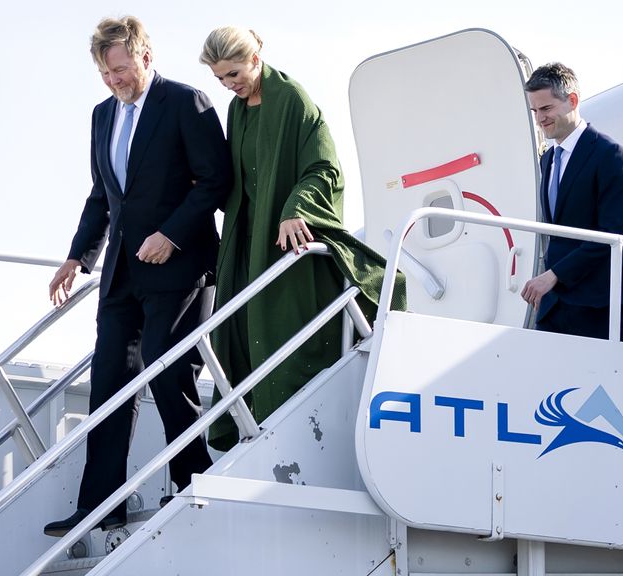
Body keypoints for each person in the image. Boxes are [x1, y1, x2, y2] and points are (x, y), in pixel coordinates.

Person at [44, 16, 231, 536]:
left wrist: (170, 234)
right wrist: (78, 257)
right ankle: (101, 506)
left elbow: (214, 182)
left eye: (121, 69)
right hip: (121, 275)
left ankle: (192, 483)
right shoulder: (102, 116)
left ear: (146, 56)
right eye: (106, 73)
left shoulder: (186, 103)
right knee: (108, 382)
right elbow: (103, 195)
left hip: (181, 267)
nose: (115, 80)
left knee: (169, 372)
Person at [199, 27, 403, 451]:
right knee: (238, 334)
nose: (229, 85)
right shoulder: (238, 109)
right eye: (220, 79)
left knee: (281, 336)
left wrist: (296, 210)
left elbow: (325, 167)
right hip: (245, 244)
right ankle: (249, 435)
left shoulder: (291, 97)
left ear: (256, 58)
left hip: (283, 244)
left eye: (234, 74)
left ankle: (289, 442)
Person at [520, 62, 623, 339]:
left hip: (595, 306)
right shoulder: (548, 159)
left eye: (546, 109)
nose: (539, 119)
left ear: (572, 101)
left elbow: (610, 235)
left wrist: (554, 274)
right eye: (535, 111)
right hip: (552, 306)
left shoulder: (611, 155)